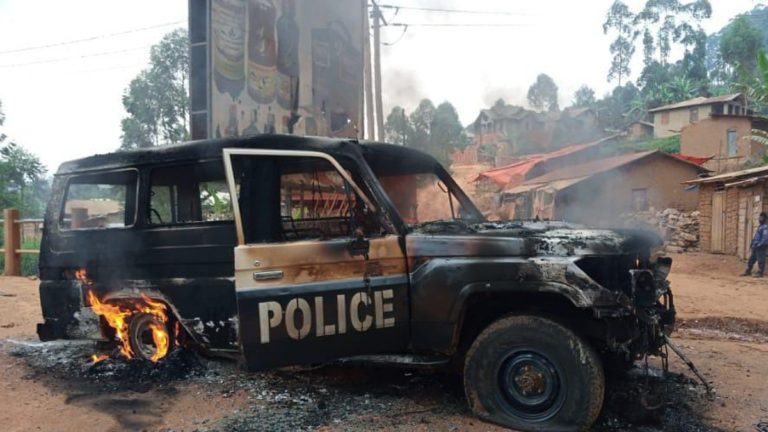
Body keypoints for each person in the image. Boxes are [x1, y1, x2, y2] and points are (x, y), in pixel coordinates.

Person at [741, 212, 768, 277]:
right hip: (756, 246)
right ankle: (748, 271)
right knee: (751, 259)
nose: (760, 219)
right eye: (760, 217)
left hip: (761, 246)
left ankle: (760, 273)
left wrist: (760, 244)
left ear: (765, 219)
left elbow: (765, 238)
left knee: (761, 260)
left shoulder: (765, 227)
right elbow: (757, 236)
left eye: (762, 218)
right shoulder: (760, 226)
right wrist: (752, 244)